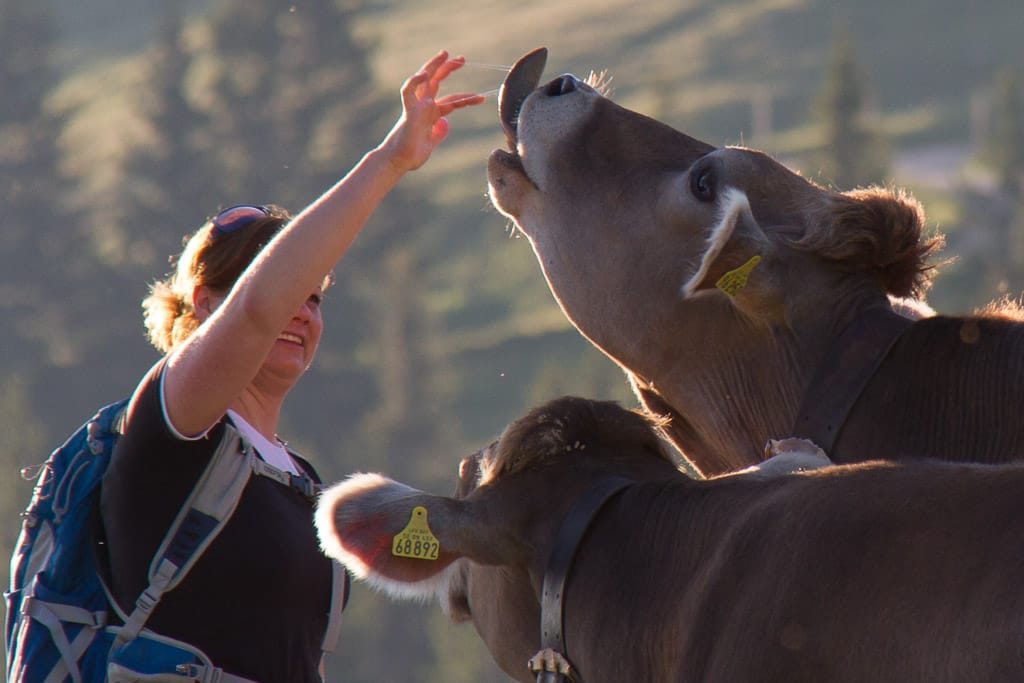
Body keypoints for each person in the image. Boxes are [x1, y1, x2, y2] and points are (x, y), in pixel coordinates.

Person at [99, 51, 484, 682]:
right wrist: (389, 162)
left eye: (314, 297)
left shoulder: (296, 477)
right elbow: (255, 313)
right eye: (288, 291)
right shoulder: (176, 426)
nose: (300, 311)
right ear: (203, 306)